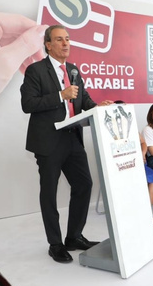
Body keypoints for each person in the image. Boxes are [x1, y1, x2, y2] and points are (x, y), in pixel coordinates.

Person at [20, 25, 113, 263]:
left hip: (72, 137)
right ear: (48, 45)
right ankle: (55, 244)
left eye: (68, 39)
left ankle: (74, 237)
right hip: (48, 141)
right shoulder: (35, 70)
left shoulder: (73, 70)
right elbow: (28, 104)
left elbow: (83, 99)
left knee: (84, 184)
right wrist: (60, 95)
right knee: (49, 193)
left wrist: (98, 107)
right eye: (59, 39)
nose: (66, 43)